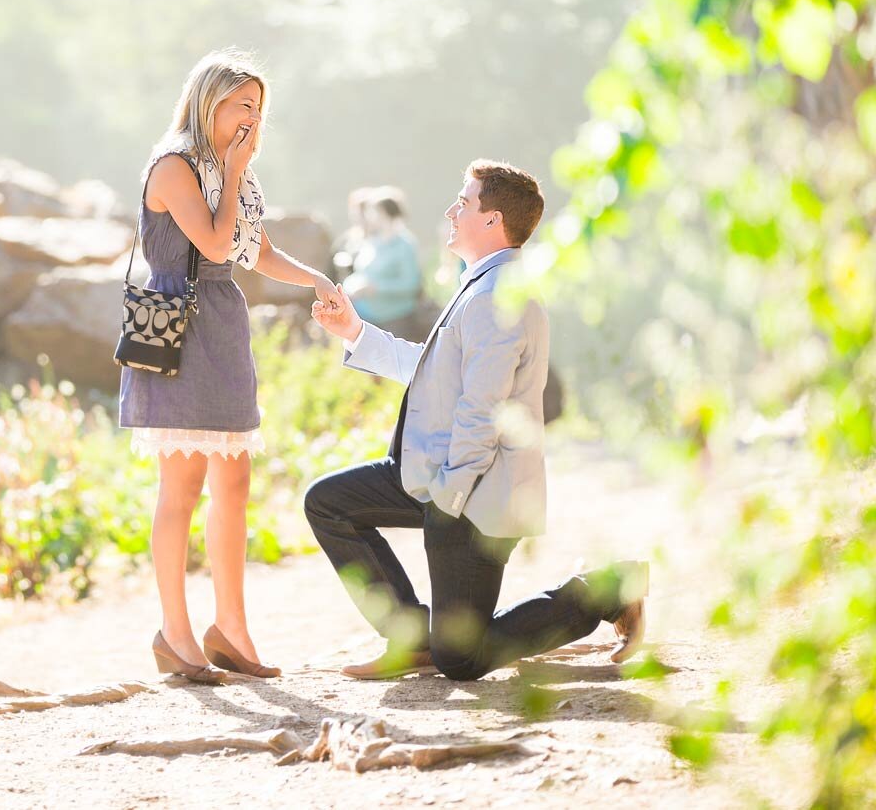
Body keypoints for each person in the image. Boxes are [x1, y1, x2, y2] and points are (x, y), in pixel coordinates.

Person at [304, 160, 647, 681]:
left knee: (461, 659)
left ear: (492, 221)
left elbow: (482, 412)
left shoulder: (495, 298)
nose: (449, 210)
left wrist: (450, 499)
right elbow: (433, 372)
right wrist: (355, 330)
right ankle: (411, 638)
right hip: (437, 476)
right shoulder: (481, 286)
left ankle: (608, 590)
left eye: (462, 202)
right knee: (329, 503)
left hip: (472, 496)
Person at [119, 49, 343, 684]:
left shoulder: (233, 172)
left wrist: (318, 279)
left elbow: (254, 251)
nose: (253, 116)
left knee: (236, 486)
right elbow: (213, 243)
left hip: (222, 323)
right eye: (243, 102)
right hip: (178, 329)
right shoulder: (174, 166)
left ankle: (232, 629)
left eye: (259, 106)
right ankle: (175, 632)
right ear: (207, 100)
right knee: (181, 488)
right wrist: (238, 172)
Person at [340, 187, 423, 341]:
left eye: (371, 212)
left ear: (383, 213)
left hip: (395, 319)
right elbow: (361, 273)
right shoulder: (373, 241)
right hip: (368, 316)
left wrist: (376, 288)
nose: (366, 216)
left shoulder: (405, 245)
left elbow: (411, 285)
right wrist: (350, 288)